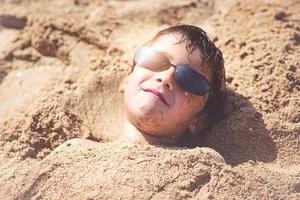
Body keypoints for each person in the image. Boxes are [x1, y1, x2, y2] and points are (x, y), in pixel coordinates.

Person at [118, 24, 226, 145]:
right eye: (155, 60)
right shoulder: (92, 151)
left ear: (199, 119)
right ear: (126, 81)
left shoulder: (202, 162)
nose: (166, 77)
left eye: (190, 79)